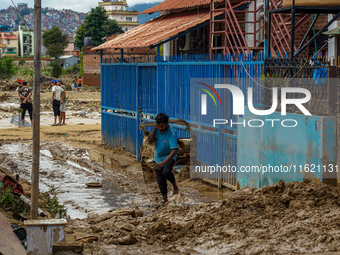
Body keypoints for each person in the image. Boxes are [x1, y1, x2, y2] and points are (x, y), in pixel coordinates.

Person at [148, 113, 179, 206]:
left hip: (169, 156)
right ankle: (165, 201)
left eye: (162, 126)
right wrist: (154, 129)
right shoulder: (157, 130)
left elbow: (175, 150)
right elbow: (150, 141)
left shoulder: (172, 133)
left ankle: (175, 186)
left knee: (166, 172)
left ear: (167, 123)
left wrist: (164, 162)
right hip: (158, 157)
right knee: (160, 180)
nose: (160, 128)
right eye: (158, 126)